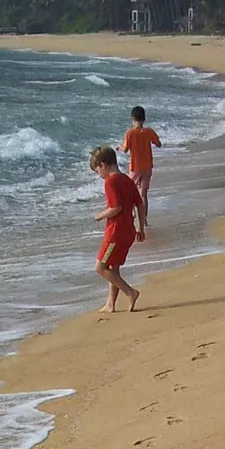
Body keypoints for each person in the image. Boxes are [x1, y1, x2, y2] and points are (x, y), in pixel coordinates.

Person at [90, 145, 144, 313]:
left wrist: (100, 215)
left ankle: (130, 292)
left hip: (115, 232)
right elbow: (140, 204)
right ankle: (111, 304)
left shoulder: (110, 182)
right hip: (128, 230)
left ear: (103, 165)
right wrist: (140, 228)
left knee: (100, 268)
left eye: (97, 170)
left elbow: (116, 208)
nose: (99, 175)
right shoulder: (127, 179)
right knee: (113, 267)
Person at [119, 106, 162, 231]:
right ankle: (144, 219)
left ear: (133, 118)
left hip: (135, 168)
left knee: (129, 193)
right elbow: (158, 144)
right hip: (147, 166)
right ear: (144, 118)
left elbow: (126, 149)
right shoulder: (148, 131)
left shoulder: (130, 133)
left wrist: (119, 147)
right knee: (143, 194)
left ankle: (132, 216)